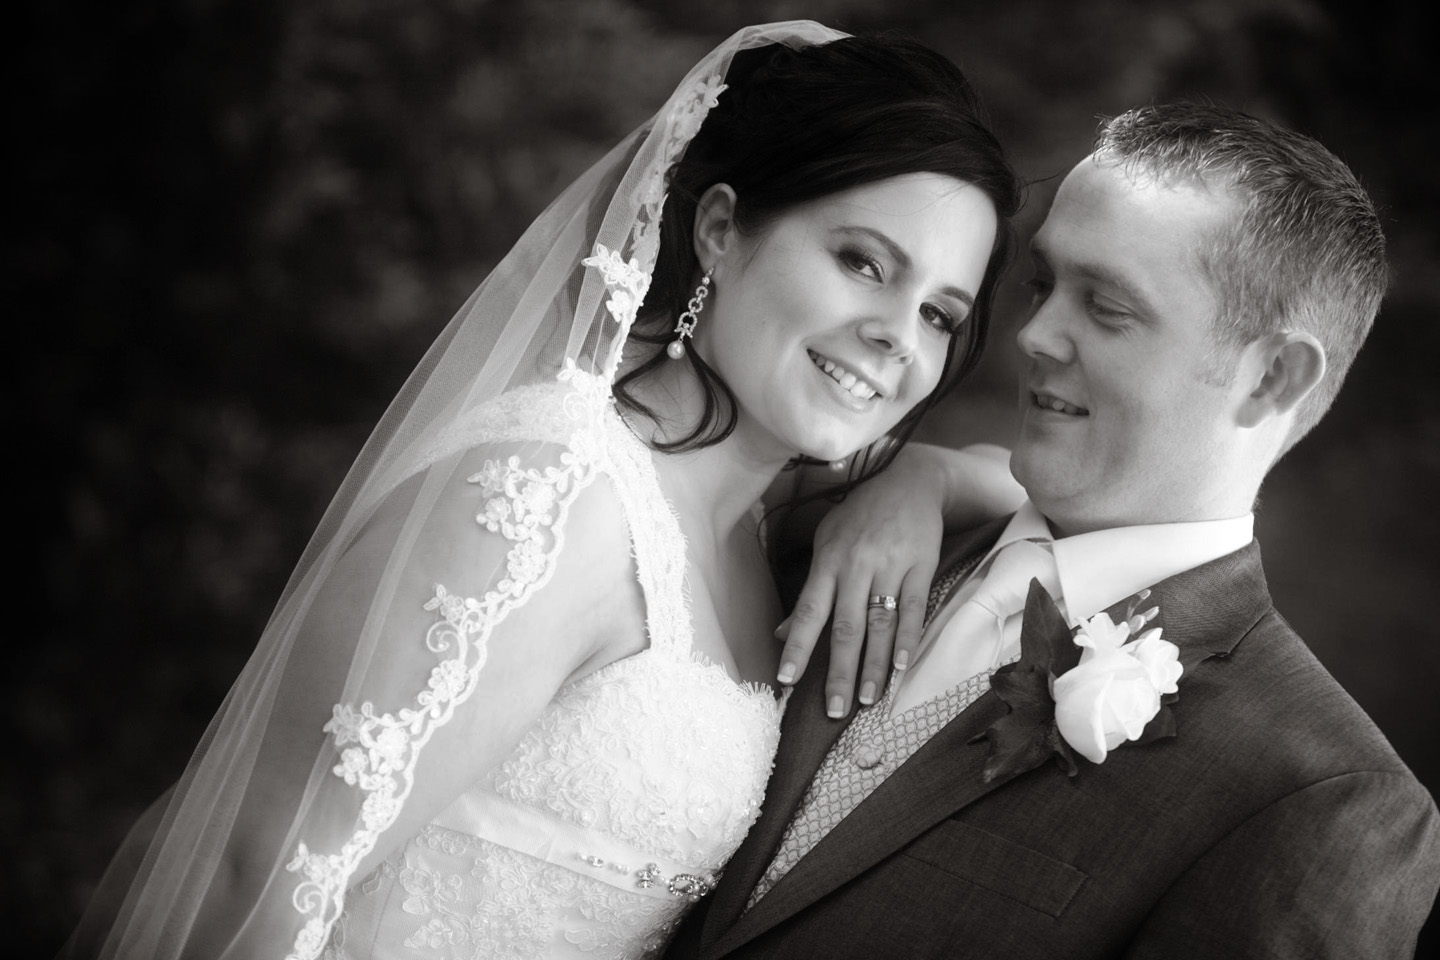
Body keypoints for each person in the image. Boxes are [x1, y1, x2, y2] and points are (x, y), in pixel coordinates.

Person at [61, 21, 1026, 960]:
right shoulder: (552, 494)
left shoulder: (756, 526)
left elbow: (1038, 483)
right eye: (863, 262)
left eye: (940, 315)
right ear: (722, 230)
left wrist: (928, 475)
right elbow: (251, 875)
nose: (898, 336)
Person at [666, 102, 1440, 959]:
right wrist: (922, 474)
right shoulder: (828, 518)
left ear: (1272, 378)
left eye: (1106, 307)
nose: (1031, 334)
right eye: (1042, 284)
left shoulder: (1316, 797)